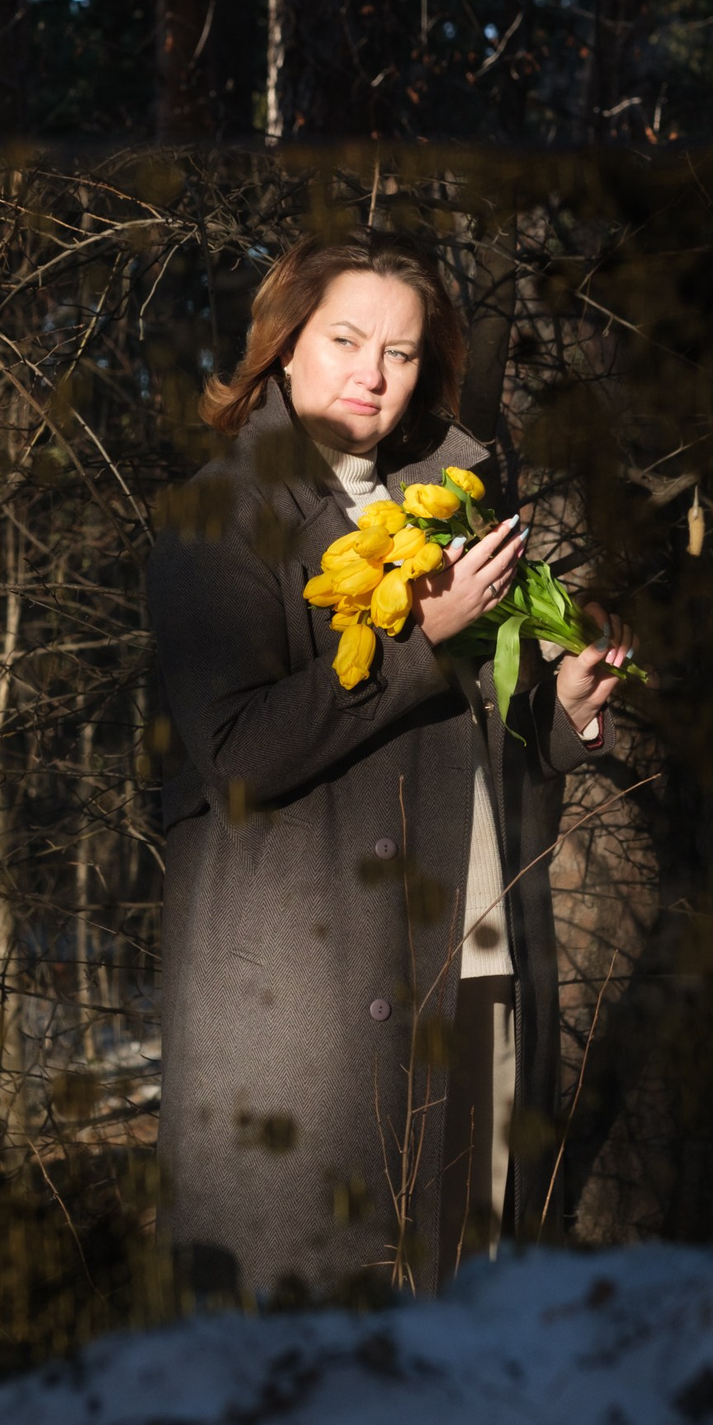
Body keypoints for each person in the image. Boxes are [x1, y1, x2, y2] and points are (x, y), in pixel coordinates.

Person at [147, 228, 629, 1303]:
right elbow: (234, 754)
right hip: (311, 997)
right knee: (321, 1319)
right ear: (283, 346)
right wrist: (419, 641)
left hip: (475, 954)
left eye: (401, 352)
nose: (372, 372)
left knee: (466, 1301)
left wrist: (562, 709)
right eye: (345, 339)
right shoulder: (220, 515)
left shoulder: (450, 498)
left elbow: (472, 723)